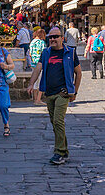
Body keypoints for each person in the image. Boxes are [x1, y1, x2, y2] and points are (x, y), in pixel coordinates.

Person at [30, 26, 82, 165]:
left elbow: (79, 73)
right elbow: (38, 68)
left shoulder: (70, 52)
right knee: (54, 123)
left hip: (63, 93)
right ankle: (64, 151)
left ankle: (59, 152)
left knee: (58, 121)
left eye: (55, 37)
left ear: (62, 38)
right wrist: (31, 84)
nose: (52, 39)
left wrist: (74, 92)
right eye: (50, 37)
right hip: (49, 93)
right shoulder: (46, 52)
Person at [28, 28, 48, 104]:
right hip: (40, 63)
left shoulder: (32, 42)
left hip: (33, 63)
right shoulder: (42, 42)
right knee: (40, 81)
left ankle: (35, 98)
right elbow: (45, 53)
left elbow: (30, 53)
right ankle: (38, 99)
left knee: (34, 81)